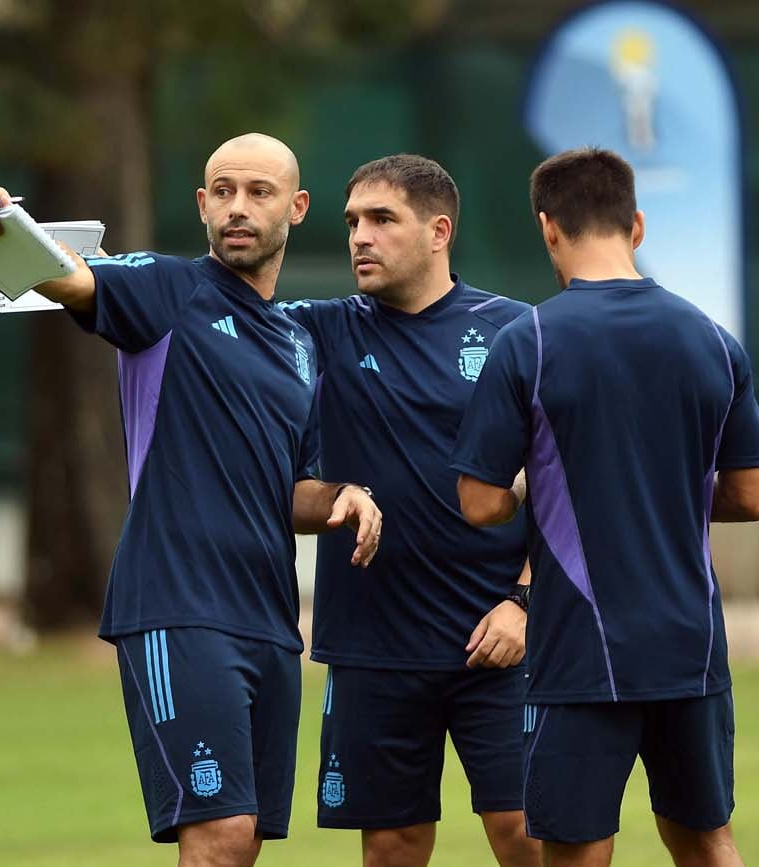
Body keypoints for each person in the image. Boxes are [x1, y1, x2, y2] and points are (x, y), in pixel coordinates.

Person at [0, 133, 383, 867]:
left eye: (258, 192)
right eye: (222, 191)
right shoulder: (165, 288)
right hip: (176, 606)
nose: (238, 207)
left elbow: (290, 492)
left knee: (243, 839)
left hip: (270, 622)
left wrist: (346, 495)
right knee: (216, 837)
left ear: (298, 206)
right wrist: (13, 235)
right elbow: (74, 280)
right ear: (201, 206)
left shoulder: (298, 344)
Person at [451, 147, 759, 867]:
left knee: (577, 851)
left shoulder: (527, 340)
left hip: (582, 650)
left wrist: (545, 486)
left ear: (548, 228)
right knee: (705, 839)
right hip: (691, 642)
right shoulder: (714, 342)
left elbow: (478, 501)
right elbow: (751, 497)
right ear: (638, 225)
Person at [279, 154, 539, 867]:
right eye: (352, 221)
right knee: (392, 848)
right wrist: (62, 266)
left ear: (437, 231)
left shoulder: (518, 332)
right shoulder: (321, 331)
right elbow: (204, 312)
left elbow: (564, 484)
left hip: (499, 637)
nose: (360, 236)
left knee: (528, 835)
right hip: (374, 643)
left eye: (382, 219)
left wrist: (523, 599)